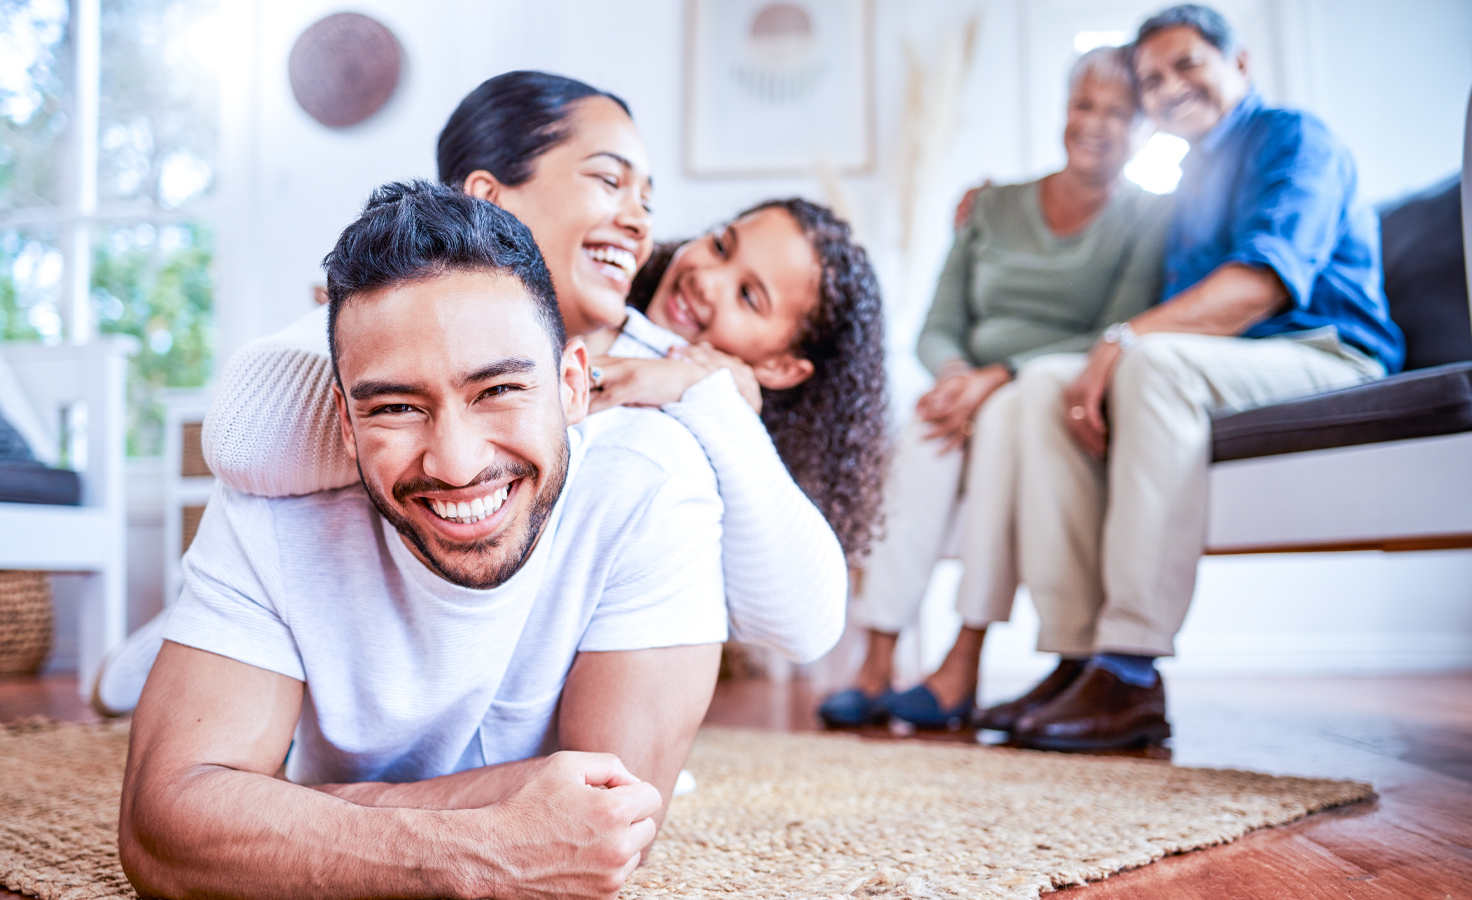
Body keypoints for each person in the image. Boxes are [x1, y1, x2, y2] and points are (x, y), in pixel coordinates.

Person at [91, 71, 886, 715]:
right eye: (611, 182)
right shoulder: (402, 304)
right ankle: (213, 623)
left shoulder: (669, 378)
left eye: (647, 200)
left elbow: (806, 621)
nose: (644, 227)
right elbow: (243, 442)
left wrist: (702, 393)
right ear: (487, 198)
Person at [120, 181, 728, 899]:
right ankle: (131, 668)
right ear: (345, 424)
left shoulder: (654, 484)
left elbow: (607, 824)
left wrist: (285, 806)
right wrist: (479, 848)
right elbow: (163, 831)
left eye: (497, 390)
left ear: (572, 386)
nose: (457, 463)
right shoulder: (272, 504)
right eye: (398, 407)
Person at [991, 4, 1403, 750]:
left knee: (1150, 361)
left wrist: (1122, 341)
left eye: (1187, 64)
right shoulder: (1186, 184)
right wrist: (996, 203)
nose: (1170, 86)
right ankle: (1076, 651)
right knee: (1043, 386)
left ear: (1237, 63)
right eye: (1151, 79)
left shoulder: (1294, 138)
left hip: (1326, 352)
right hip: (1233, 366)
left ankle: (1130, 670)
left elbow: (1258, 289)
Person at [817, 46, 1172, 729]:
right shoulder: (993, 205)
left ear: (1144, 127)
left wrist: (996, 376)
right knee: (923, 433)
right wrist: (955, 376)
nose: (1095, 124)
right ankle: (875, 657)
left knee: (1012, 415)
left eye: (1119, 113)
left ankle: (964, 656)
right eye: (1083, 105)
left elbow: (1113, 329)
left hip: (1038, 387)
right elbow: (938, 324)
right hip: (967, 385)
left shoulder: (1146, 220)